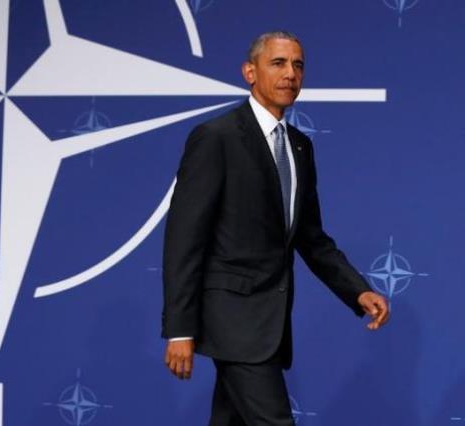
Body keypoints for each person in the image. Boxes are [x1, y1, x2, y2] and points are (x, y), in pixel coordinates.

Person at [161, 31, 390, 425]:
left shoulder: (300, 146)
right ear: (250, 72)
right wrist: (180, 328)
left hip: (268, 323)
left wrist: (358, 289)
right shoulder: (216, 138)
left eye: (298, 65)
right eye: (278, 63)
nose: (290, 74)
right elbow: (183, 238)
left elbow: (310, 237)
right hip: (232, 320)